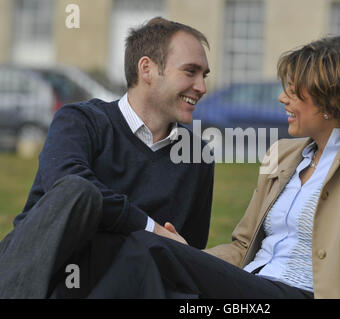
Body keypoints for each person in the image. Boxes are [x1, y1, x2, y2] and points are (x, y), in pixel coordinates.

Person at [87, 35, 340, 299]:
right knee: (150, 262)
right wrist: (188, 256)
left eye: (295, 92)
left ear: (331, 100)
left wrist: (173, 255)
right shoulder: (283, 155)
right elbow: (241, 246)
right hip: (254, 291)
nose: (283, 98)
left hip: (300, 292)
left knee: (151, 248)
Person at [0, 17, 214, 298]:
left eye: (204, 75)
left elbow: (186, 250)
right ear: (147, 69)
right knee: (79, 190)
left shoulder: (198, 157)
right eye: (190, 72)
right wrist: (151, 228)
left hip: (119, 287)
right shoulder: (79, 121)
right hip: (40, 282)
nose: (201, 87)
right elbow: (69, 187)